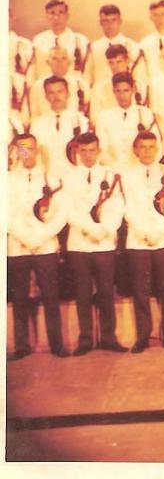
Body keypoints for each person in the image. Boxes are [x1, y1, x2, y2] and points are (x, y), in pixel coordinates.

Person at [122, 131, 164, 353]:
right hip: (139, 239)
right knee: (141, 290)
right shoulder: (126, 176)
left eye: (151, 147)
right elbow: (127, 207)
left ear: (158, 149)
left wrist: (160, 230)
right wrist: (144, 231)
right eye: (143, 147)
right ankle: (143, 336)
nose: (147, 151)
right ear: (135, 150)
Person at [64, 132, 127, 355]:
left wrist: (105, 230)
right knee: (82, 292)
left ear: (99, 151)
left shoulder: (110, 175)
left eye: (92, 150)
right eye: (83, 151)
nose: (88, 155)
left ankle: (109, 337)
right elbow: (68, 209)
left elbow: (117, 206)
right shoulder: (68, 177)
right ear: (77, 152)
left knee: (106, 292)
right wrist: (90, 229)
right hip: (80, 242)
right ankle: (85, 339)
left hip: (104, 242)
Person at [7, 133, 69, 360]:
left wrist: (41, 236)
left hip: (44, 244)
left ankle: (57, 344)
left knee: (51, 296)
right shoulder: (8, 179)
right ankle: (22, 345)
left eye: (30, 148)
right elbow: (6, 214)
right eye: (21, 149)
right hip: (18, 244)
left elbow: (61, 214)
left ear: (37, 150)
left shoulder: (51, 179)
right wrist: (24, 237)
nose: (26, 153)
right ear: (15, 151)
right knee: (20, 297)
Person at [95, 72, 162, 168]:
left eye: (126, 90)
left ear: (133, 89)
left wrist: (143, 167)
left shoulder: (146, 114)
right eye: (118, 91)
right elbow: (102, 148)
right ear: (113, 91)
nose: (122, 95)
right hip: (113, 169)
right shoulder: (104, 117)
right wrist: (114, 168)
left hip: (141, 169)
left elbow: (157, 146)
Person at [29, 75, 90, 175]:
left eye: (60, 91)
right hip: (46, 175)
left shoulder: (81, 121)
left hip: (75, 175)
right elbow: (29, 152)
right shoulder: (37, 124)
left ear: (68, 94)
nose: (56, 96)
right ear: (46, 97)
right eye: (51, 93)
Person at [84, 4, 145, 87]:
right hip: (99, 93)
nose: (110, 24)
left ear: (120, 21)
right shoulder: (93, 48)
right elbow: (87, 77)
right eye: (106, 20)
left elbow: (140, 77)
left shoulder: (133, 47)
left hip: (124, 93)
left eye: (114, 20)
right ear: (100, 23)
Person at [90, 44, 150, 124]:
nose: (115, 67)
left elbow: (145, 114)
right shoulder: (99, 88)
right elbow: (95, 117)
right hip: (110, 128)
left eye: (119, 62)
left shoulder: (140, 86)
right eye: (111, 63)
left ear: (127, 61)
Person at [31, 0, 90, 79]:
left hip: (72, 84)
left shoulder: (81, 41)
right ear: (47, 16)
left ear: (67, 16)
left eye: (61, 12)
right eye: (52, 13)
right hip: (44, 84)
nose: (56, 17)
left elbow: (87, 71)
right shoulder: (38, 40)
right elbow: (33, 69)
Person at [29, 46, 91, 120]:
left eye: (63, 58)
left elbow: (87, 112)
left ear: (69, 62)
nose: (59, 62)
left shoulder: (81, 85)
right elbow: (35, 115)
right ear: (48, 62)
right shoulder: (38, 86)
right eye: (55, 59)